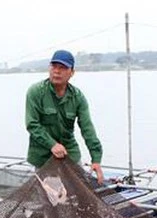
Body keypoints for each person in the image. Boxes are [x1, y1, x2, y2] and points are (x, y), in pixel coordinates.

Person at [25, 50, 105, 184]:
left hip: (69, 153)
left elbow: (87, 128)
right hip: (43, 156)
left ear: (72, 72)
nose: (57, 71)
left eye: (62, 68)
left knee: (80, 192)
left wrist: (96, 159)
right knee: (50, 199)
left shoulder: (77, 97)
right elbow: (32, 124)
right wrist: (52, 144)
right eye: (54, 66)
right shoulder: (36, 92)